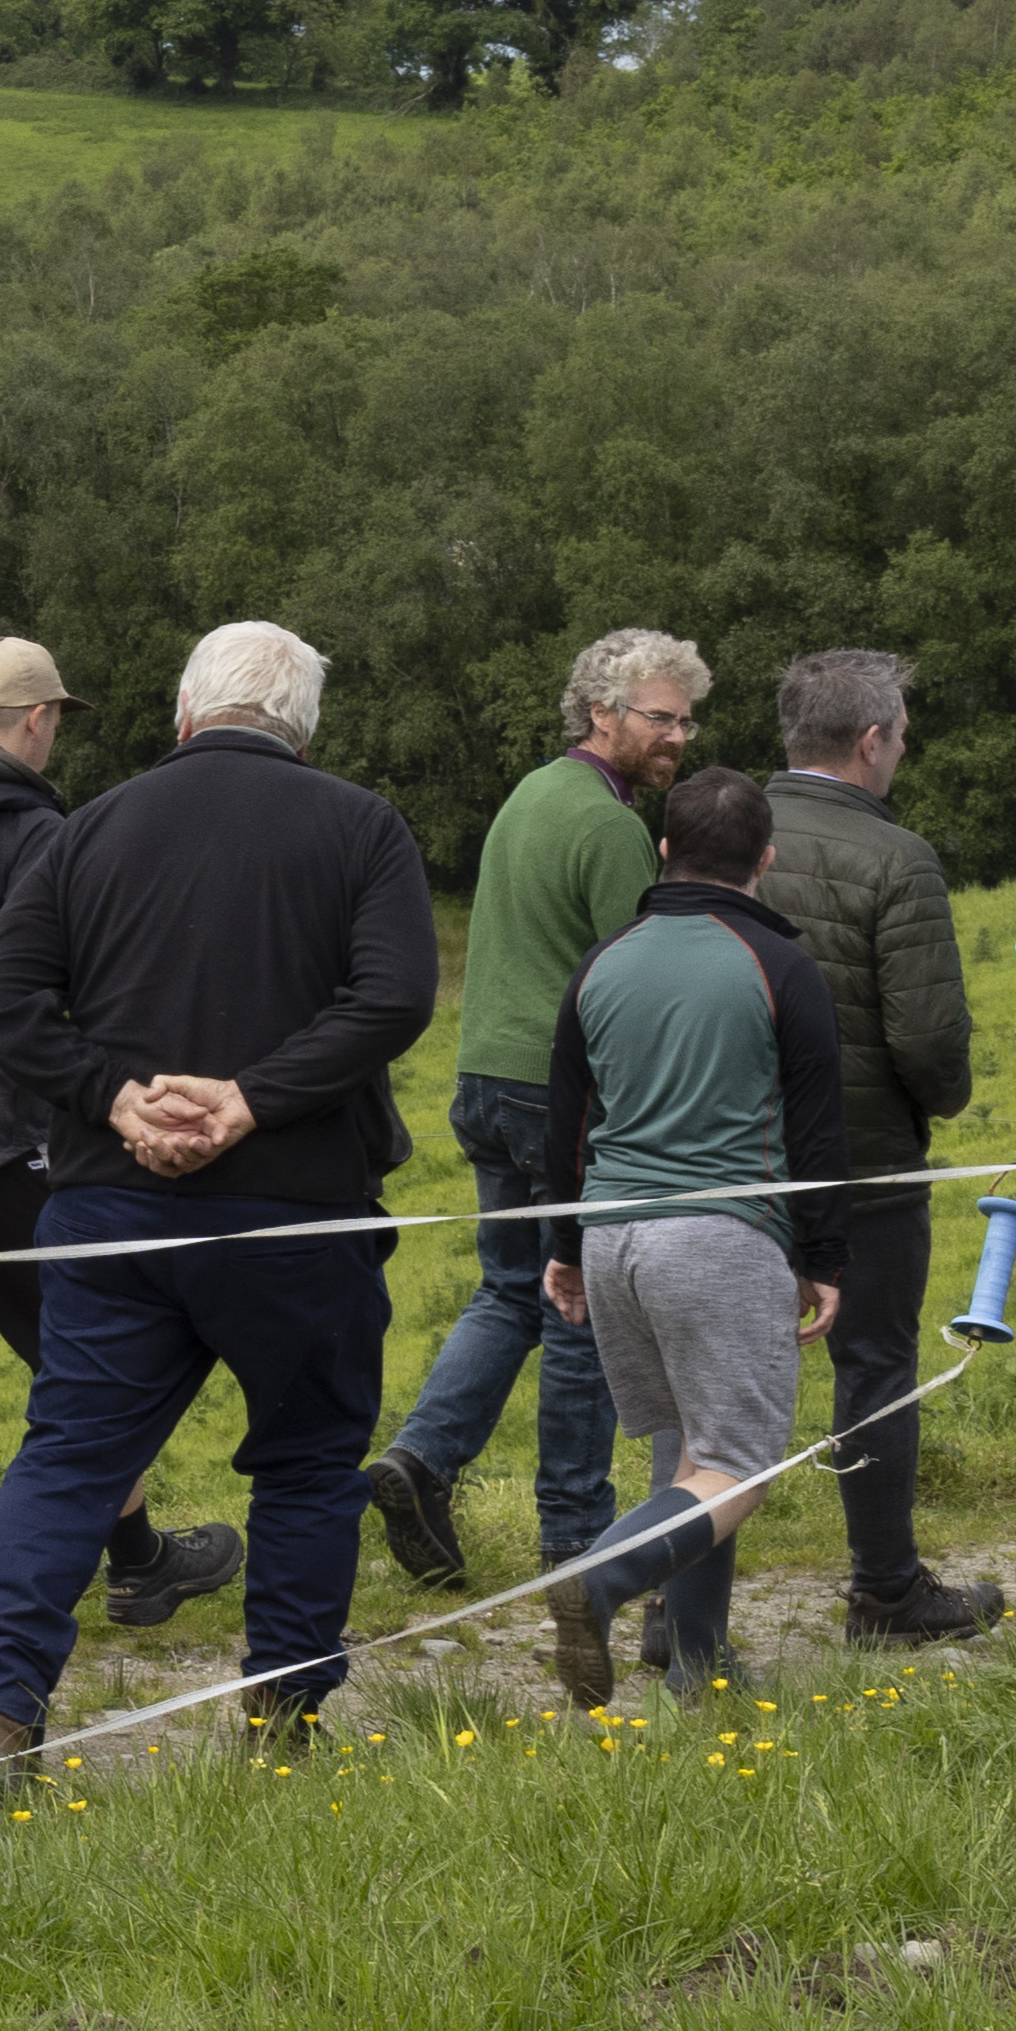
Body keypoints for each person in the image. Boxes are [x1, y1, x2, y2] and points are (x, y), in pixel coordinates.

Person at [0, 621, 439, 1781]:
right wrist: (249, 1103)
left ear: (184, 711)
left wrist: (115, 1099)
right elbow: (395, 997)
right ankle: (283, 1717)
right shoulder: (361, 826)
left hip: (113, 1209)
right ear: (304, 727)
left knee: (69, 1456)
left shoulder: (89, 830)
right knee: (311, 1461)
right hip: (295, 1210)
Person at [0, 639, 237, 1664]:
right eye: (58, 718)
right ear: (37, 720)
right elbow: (79, 989)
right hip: (4, 1146)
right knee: (84, 1365)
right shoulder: (42, 832)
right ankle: (132, 1562)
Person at [363, 628, 701, 1594]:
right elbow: (633, 974)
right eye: (660, 717)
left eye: (684, 719)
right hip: (558, 1095)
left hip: (483, 1079)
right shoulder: (609, 826)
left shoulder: (533, 793)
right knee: (578, 1309)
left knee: (513, 1288)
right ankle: (574, 1537)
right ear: (602, 711)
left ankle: (422, 1460)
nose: (678, 735)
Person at [529, 768, 850, 1704]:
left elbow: (567, 1124)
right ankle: (603, 1578)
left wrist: (562, 1243)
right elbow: (818, 1132)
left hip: (614, 1240)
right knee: (743, 1464)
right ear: (767, 859)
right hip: (719, 1240)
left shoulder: (604, 960)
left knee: (691, 1456)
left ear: (663, 851)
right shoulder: (782, 966)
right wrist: (825, 1260)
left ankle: (698, 1664)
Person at [756, 650, 994, 1643]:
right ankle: (886, 1590)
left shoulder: (724, 827)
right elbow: (930, 1039)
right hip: (866, 1159)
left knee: (716, 1382)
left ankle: (681, 1605)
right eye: (900, 732)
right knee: (876, 1367)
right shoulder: (899, 859)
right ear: (868, 741)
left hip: (730, 1150)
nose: (905, 748)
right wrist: (943, 1101)